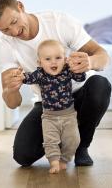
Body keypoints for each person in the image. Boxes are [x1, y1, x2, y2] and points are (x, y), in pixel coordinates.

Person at [0, 0, 111, 167]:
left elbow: (103, 56)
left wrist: (90, 61)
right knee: (22, 156)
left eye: (14, 21)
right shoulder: (6, 48)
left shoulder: (59, 22)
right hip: (49, 105)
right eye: (5, 29)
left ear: (20, 6)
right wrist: (10, 89)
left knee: (100, 85)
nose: (14, 31)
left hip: (82, 92)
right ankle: (60, 138)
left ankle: (81, 147)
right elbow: (13, 103)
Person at [17, 39, 85, 173]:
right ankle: (54, 162)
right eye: (48, 59)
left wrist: (75, 67)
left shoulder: (67, 71)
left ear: (65, 59)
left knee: (73, 140)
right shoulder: (40, 74)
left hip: (69, 115)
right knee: (50, 141)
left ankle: (64, 159)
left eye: (58, 58)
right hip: (49, 117)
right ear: (39, 62)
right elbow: (27, 78)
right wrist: (20, 75)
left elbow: (80, 78)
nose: (53, 62)